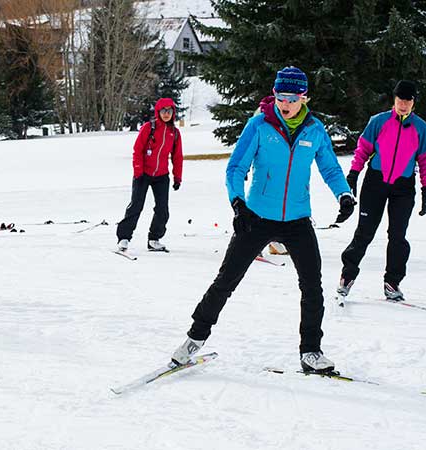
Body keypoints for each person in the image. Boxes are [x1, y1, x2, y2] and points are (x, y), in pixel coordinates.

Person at [170, 66, 356, 373]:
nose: (284, 103)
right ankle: (194, 339)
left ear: (304, 97)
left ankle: (311, 351)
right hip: (256, 216)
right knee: (226, 280)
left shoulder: (315, 130)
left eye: (291, 97)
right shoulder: (259, 125)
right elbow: (235, 169)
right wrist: (238, 204)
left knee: (313, 286)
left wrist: (344, 195)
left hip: (297, 219)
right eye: (280, 96)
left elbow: (331, 169)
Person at [337, 80, 426, 302]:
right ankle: (347, 276)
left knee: (398, 236)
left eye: (408, 100)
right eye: (400, 99)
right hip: (375, 183)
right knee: (364, 232)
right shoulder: (379, 122)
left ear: (413, 102)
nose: (403, 104)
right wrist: (353, 174)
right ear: (394, 99)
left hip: (403, 187)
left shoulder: (420, 128)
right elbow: (363, 149)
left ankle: (392, 282)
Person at [116, 98, 183, 252]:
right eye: (163, 111)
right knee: (136, 206)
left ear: (173, 113)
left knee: (162, 209)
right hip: (143, 174)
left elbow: (177, 157)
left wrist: (177, 177)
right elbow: (137, 150)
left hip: (162, 176)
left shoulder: (175, 133)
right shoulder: (149, 127)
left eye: (169, 111)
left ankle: (154, 239)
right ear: (158, 112)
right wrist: (138, 171)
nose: (166, 114)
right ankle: (124, 237)